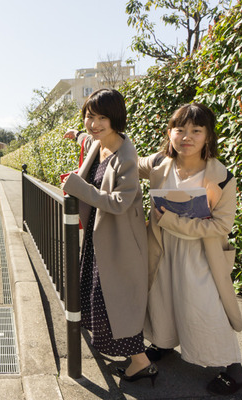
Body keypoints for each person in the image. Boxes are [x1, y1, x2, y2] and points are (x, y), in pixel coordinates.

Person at [138, 103, 242, 395]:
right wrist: (89, 138)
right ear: (169, 133)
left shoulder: (222, 176)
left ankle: (234, 369)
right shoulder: (159, 163)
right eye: (180, 129)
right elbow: (126, 161)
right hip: (163, 248)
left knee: (205, 307)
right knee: (164, 297)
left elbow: (221, 226)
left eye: (196, 130)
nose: (187, 136)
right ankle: (163, 343)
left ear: (208, 136)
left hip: (201, 255)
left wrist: (172, 220)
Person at [61, 89, 155, 384]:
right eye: (90, 116)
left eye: (102, 117)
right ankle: (129, 356)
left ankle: (141, 362)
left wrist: (79, 187)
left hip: (119, 239)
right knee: (98, 295)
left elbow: (119, 202)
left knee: (114, 300)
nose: (94, 124)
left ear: (116, 118)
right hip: (98, 236)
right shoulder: (96, 142)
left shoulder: (126, 155)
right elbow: (86, 138)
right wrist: (75, 134)